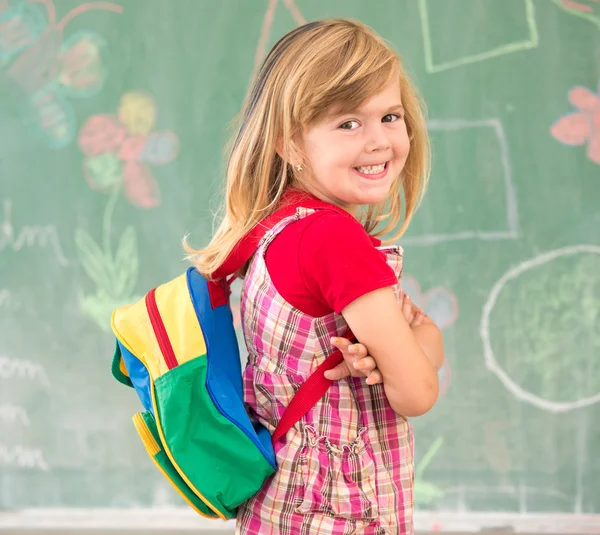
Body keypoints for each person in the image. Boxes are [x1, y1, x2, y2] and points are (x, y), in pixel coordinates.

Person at [187, 18, 445, 535]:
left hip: (284, 503)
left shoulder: (273, 226)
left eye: (390, 116)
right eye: (348, 123)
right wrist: (423, 334)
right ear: (290, 144)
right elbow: (417, 391)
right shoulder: (335, 244)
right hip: (338, 512)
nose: (378, 141)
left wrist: (399, 350)